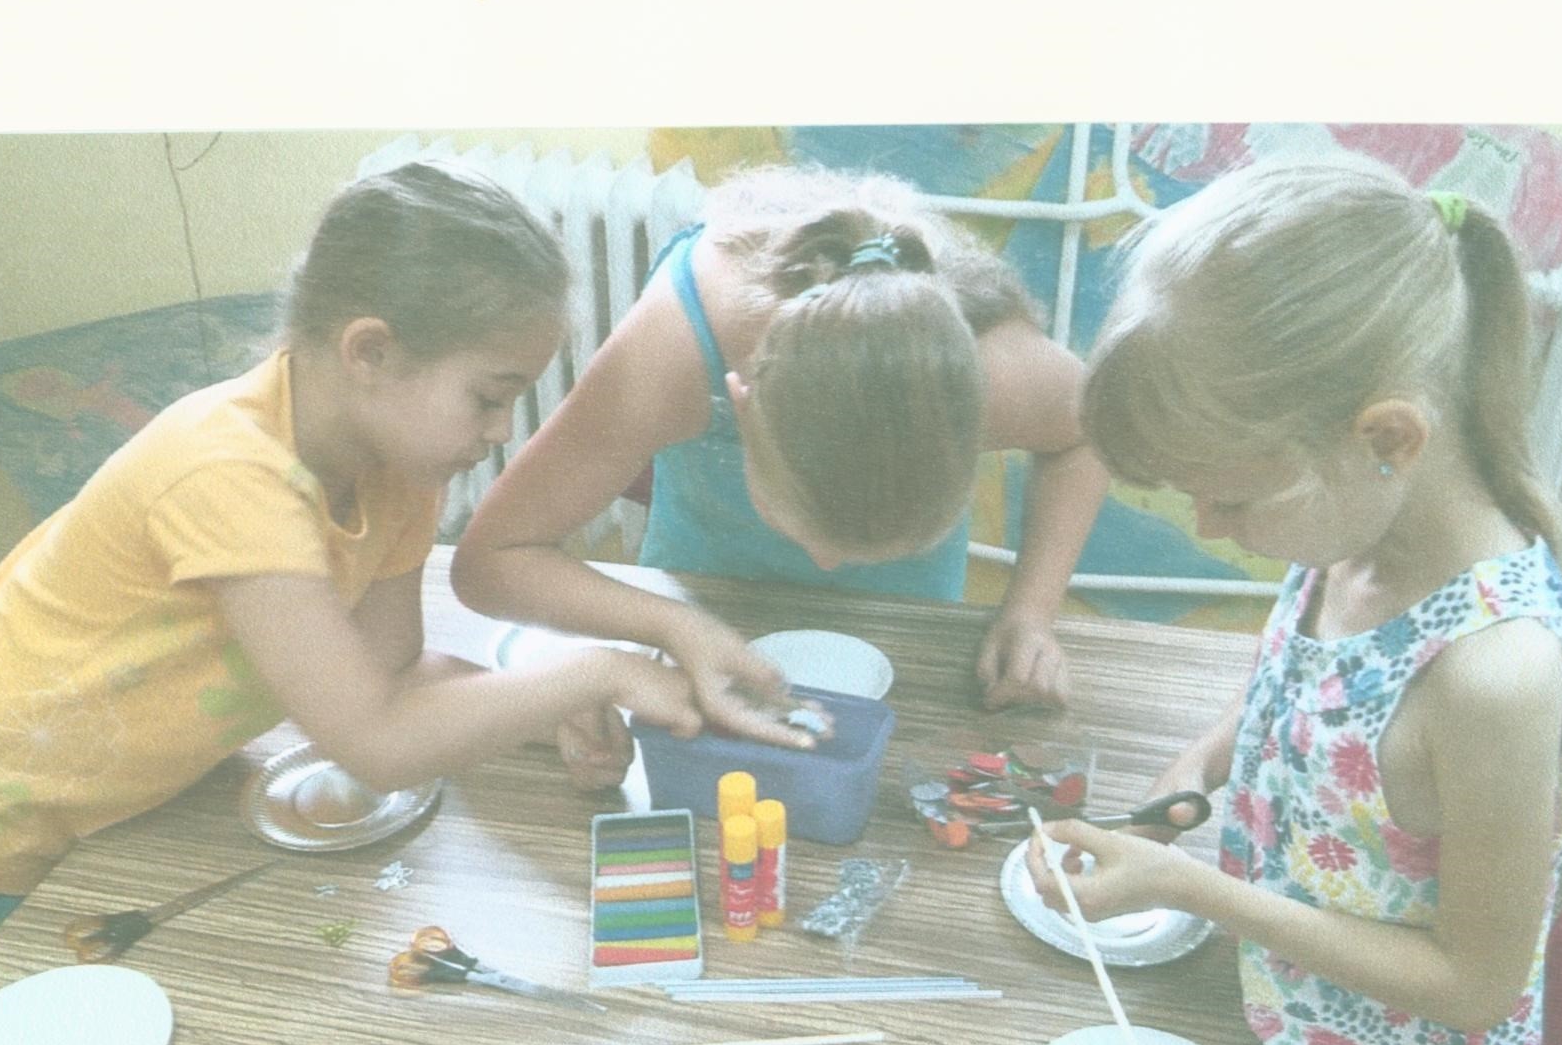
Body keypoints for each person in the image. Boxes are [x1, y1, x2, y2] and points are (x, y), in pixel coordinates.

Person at [0, 164, 699, 1005]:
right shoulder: (225, 472)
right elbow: (375, 743)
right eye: (487, 397)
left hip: (105, 806)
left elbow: (389, 674)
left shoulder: (397, 474)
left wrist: (537, 709)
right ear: (370, 351)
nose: (501, 431)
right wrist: (595, 671)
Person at [1047, 156, 1562, 1045]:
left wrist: (1193, 889)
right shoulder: (1352, 523)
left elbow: (1475, 984)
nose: (1208, 524)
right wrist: (1197, 763)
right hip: (1275, 985)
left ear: (1385, 439)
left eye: (1231, 498)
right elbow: (1295, 681)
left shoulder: (1494, 674)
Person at [451, 165, 1107, 740]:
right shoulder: (673, 354)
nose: (827, 565)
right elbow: (491, 560)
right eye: (808, 529)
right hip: (707, 580)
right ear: (742, 404)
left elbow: (1084, 438)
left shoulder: (992, 371)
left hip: (903, 611)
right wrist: (673, 625)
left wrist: (1030, 611)